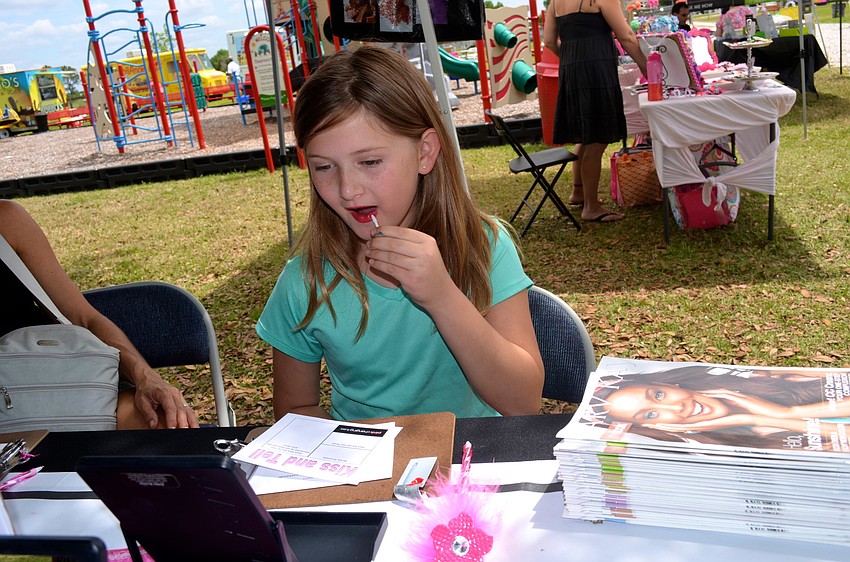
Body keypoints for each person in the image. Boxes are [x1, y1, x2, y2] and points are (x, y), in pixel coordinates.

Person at [255, 45, 545, 422]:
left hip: (472, 455)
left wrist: (442, 296)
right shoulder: (305, 282)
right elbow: (295, 411)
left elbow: (523, 403)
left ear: (424, 152)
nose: (347, 189)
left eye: (370, 161)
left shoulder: (485, 247)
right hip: (363, 460)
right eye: (324, 167)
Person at [0, 200, 199, 430]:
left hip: (60, 381)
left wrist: (146, 377)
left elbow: (84, 318)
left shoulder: (7, 220)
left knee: (166, 425)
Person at [543, 0, 647, 223]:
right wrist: (648, 68)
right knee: (597, 139)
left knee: (586, 133)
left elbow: (549, 41)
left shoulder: (555, 2)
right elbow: (627, 36)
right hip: (596, 69)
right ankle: (591, 206)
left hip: (571, 70)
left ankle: (578, 192)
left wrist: (572, 57)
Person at [588, 366, 850, 451]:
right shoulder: (747, 445)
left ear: (668, 384)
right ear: (654, 427)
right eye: (651, 414)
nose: (677, 406)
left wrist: (787, 412)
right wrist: (770, 418)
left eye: (659, 395)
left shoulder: (766, 377)